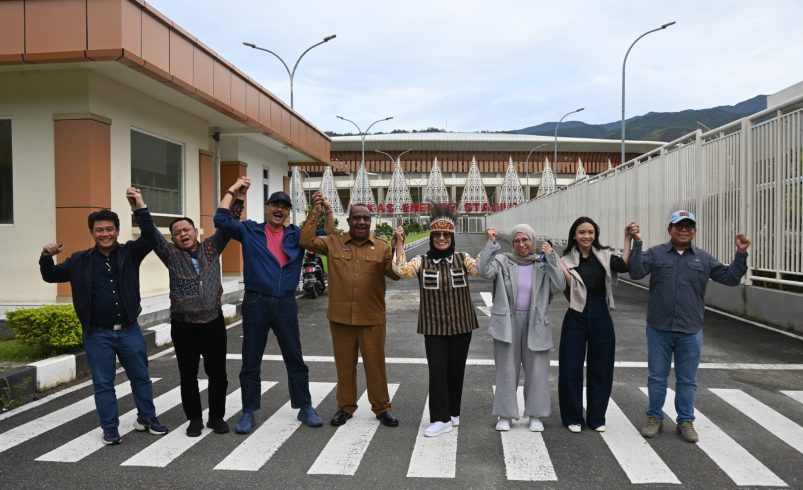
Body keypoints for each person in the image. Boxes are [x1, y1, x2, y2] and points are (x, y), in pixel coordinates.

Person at [39, 188, 168, 445]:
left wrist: (139, 207)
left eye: (109, 229)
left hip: (129, 330)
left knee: (141, 377)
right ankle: (110, 428)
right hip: (98, 333)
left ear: (117, 231)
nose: (105, 234)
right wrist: (45, 257)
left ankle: (147, 418)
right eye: (99, 230)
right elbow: (50, 275)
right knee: (103, 383)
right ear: (92, 233)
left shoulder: (129, 253)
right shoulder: (79, 261)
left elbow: (152, 237)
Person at [629, 210, 751, 443]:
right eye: (679, 226)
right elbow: (635, 272)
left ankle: (685, 421)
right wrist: (638, 243)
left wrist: (741, 253)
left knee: (687, 380)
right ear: (670, 230)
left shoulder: (703, 259)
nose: (684, 229)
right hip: (659, 328)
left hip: (690, 330)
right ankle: (654, 417)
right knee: (657, 378)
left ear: (694, 231)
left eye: (689, 226)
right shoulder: (656, 253)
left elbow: (730, 278)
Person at [213, 178, 323, 434]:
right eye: (275, 204)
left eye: (284, 207)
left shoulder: (296, 234)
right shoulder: (250, 230)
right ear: (266, 207)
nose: (279, 209)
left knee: (295, 358)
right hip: (256, 302)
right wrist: (234, 191)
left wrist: (322, 209)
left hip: (285, 304)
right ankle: (248, 411)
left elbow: (326, 234)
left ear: (288, 212)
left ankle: (305, 406)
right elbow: (221, 221)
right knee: (251, 360)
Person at [147, 178, 247, 437]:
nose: (183, 233)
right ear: (174, 238)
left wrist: (239, 196)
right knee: (188, 376)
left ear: (195, 232)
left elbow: (229, 224)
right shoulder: (170, 254)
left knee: (218, 375)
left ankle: (216, 417)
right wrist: (139, 207)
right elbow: (150, 233)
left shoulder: (211, 248)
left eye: (187, 229)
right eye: (177, 232)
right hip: (184, 325)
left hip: (213, 322)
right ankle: (194, 419)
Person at [300, 192, 401, 427]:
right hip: (341, 318)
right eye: (356, 218)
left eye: (366, 218)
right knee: (344, 367)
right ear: (349, 221)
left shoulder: (382, 247)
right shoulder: (333, 242)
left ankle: (382, 408)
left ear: (371, 221)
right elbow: (306, 240)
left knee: (376, 367)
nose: (361, 222)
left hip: (372, 318)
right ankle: (345, 408)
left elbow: (395, 275)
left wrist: (399, 249)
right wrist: (319, 211)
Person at [392, 206, 480, 437]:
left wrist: (490, 244)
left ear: (452, 237)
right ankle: (440, 418)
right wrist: (399, 244)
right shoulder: (421, 261)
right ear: (431, 238)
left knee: (456, 370)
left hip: (462, 324)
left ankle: (453, 413)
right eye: (437, 235)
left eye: (446, 235)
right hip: (434, 326)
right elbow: (402, 271)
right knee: (438, 371)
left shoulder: (463, 258)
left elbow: (479, 270)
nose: (442, 238)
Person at [478, 224, 565, 432]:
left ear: (532, 241)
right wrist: (491, 243)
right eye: (517, 240)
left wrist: (552, 257)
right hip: (507, 321)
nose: (521, 244)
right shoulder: (503, 261)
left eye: (525, 240)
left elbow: (560, 285)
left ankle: (535, 414)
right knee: (507, 370)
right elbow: (484, 271)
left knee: (537, 370)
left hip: (536, 321)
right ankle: (505, 414)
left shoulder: (542, 264)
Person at [557, 217, 631, 433]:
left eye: (590, 232)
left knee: (602, 367)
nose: (586, 236)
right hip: (575, 314)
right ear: (574, 235)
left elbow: (624, 265)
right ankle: (572, 416)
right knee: (571, 367)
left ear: (595, 234)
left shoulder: (605, 256)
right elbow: (560, 283)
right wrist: (553, 260)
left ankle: (597, 417)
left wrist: (628, 239)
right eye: (582, 232)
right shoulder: (565, 259)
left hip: (601, 312)